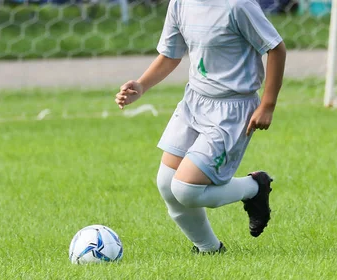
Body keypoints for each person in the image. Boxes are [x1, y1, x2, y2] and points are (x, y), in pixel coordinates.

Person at [115, 0, 286, 254]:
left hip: (231, 109)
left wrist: (268, 104)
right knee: (166, 182)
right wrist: (141, 86)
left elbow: (276, 48)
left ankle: (255, 188)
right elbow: (171, 54)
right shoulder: (180, 3)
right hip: (194, 102)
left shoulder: (238, 6)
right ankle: (209, 249)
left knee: (186, 189)